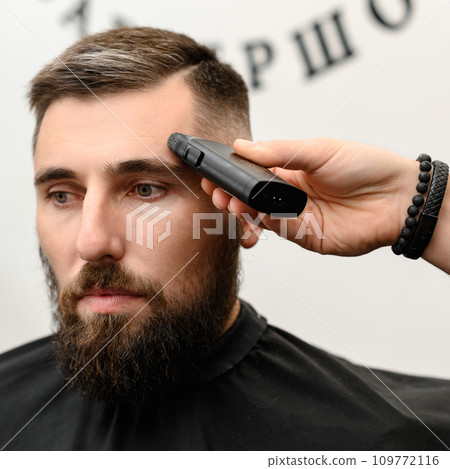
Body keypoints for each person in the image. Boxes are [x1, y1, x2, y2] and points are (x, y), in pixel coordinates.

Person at [0, 26, 449, 451]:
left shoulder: (393, 439)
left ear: (245, 212)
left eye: (146, 190)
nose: (92, 242)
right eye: (62, 195)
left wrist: (423, 206)